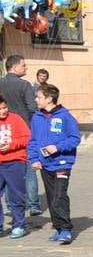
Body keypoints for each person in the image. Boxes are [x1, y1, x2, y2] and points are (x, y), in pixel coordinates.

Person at [28, 84, 80, 244]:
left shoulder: (65, 116)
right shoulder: (36, 117)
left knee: (59, 195)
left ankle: (65, 229)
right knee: (51, 197)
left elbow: (75, 138)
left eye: (39, 97)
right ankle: (58, 227)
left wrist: (57, 147)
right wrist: (34, 158)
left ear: (49, 99)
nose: (36, 100)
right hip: (45, 164)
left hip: (62, 163)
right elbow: (33, 141)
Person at [0, 56, 41, 219]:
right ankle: (33, 205)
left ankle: (11, 206)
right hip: (22, 130)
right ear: (15, 66)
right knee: (28, 170)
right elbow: (32, 108)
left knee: (7, 170)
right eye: (24, 65)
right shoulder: (24, 85)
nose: (26, 68)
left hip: (4, 131)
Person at [0, 97, 31, 239]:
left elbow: (26, 137)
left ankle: (19, 225)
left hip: (15, 162)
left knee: (16, 196)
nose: (3, 111)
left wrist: (11, 145)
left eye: (5, 107)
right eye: (0, 109)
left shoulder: (16, 119)